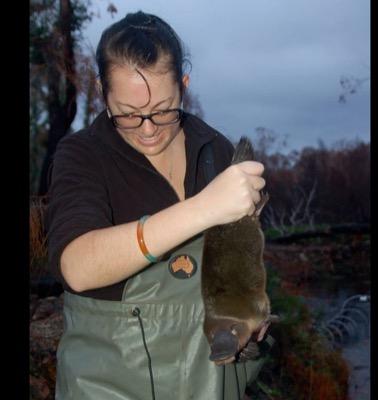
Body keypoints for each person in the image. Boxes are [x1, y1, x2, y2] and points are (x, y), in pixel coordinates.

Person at [46, 10, 267, 400]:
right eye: (128, 114)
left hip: (211, 385)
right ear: (102, 92)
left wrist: (249, 320)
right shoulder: (82, 156)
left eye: (164, 109)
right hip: (109, 386)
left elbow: (241, 269)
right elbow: (77, 267)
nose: (148, 129)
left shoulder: (215, 151)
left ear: (183, 85)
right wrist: (204, 208)